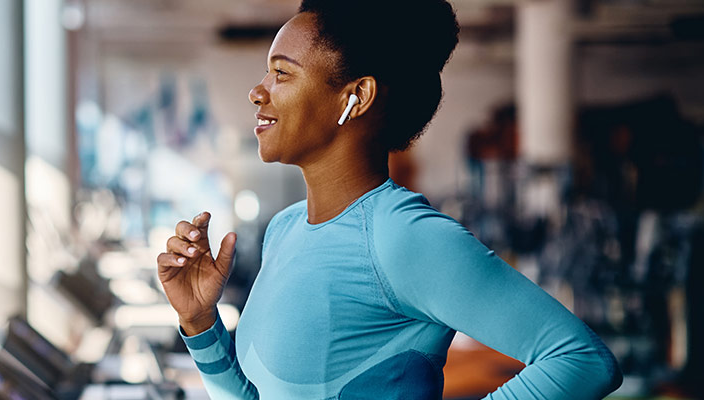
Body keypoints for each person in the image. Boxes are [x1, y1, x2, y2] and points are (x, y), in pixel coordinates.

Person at [156, 0, 623, 398]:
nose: (258, 92)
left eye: (282, 73)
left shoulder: (401, 236)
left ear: (355, 97)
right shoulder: (286, 228)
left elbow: (580, 360)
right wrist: (199, 322)